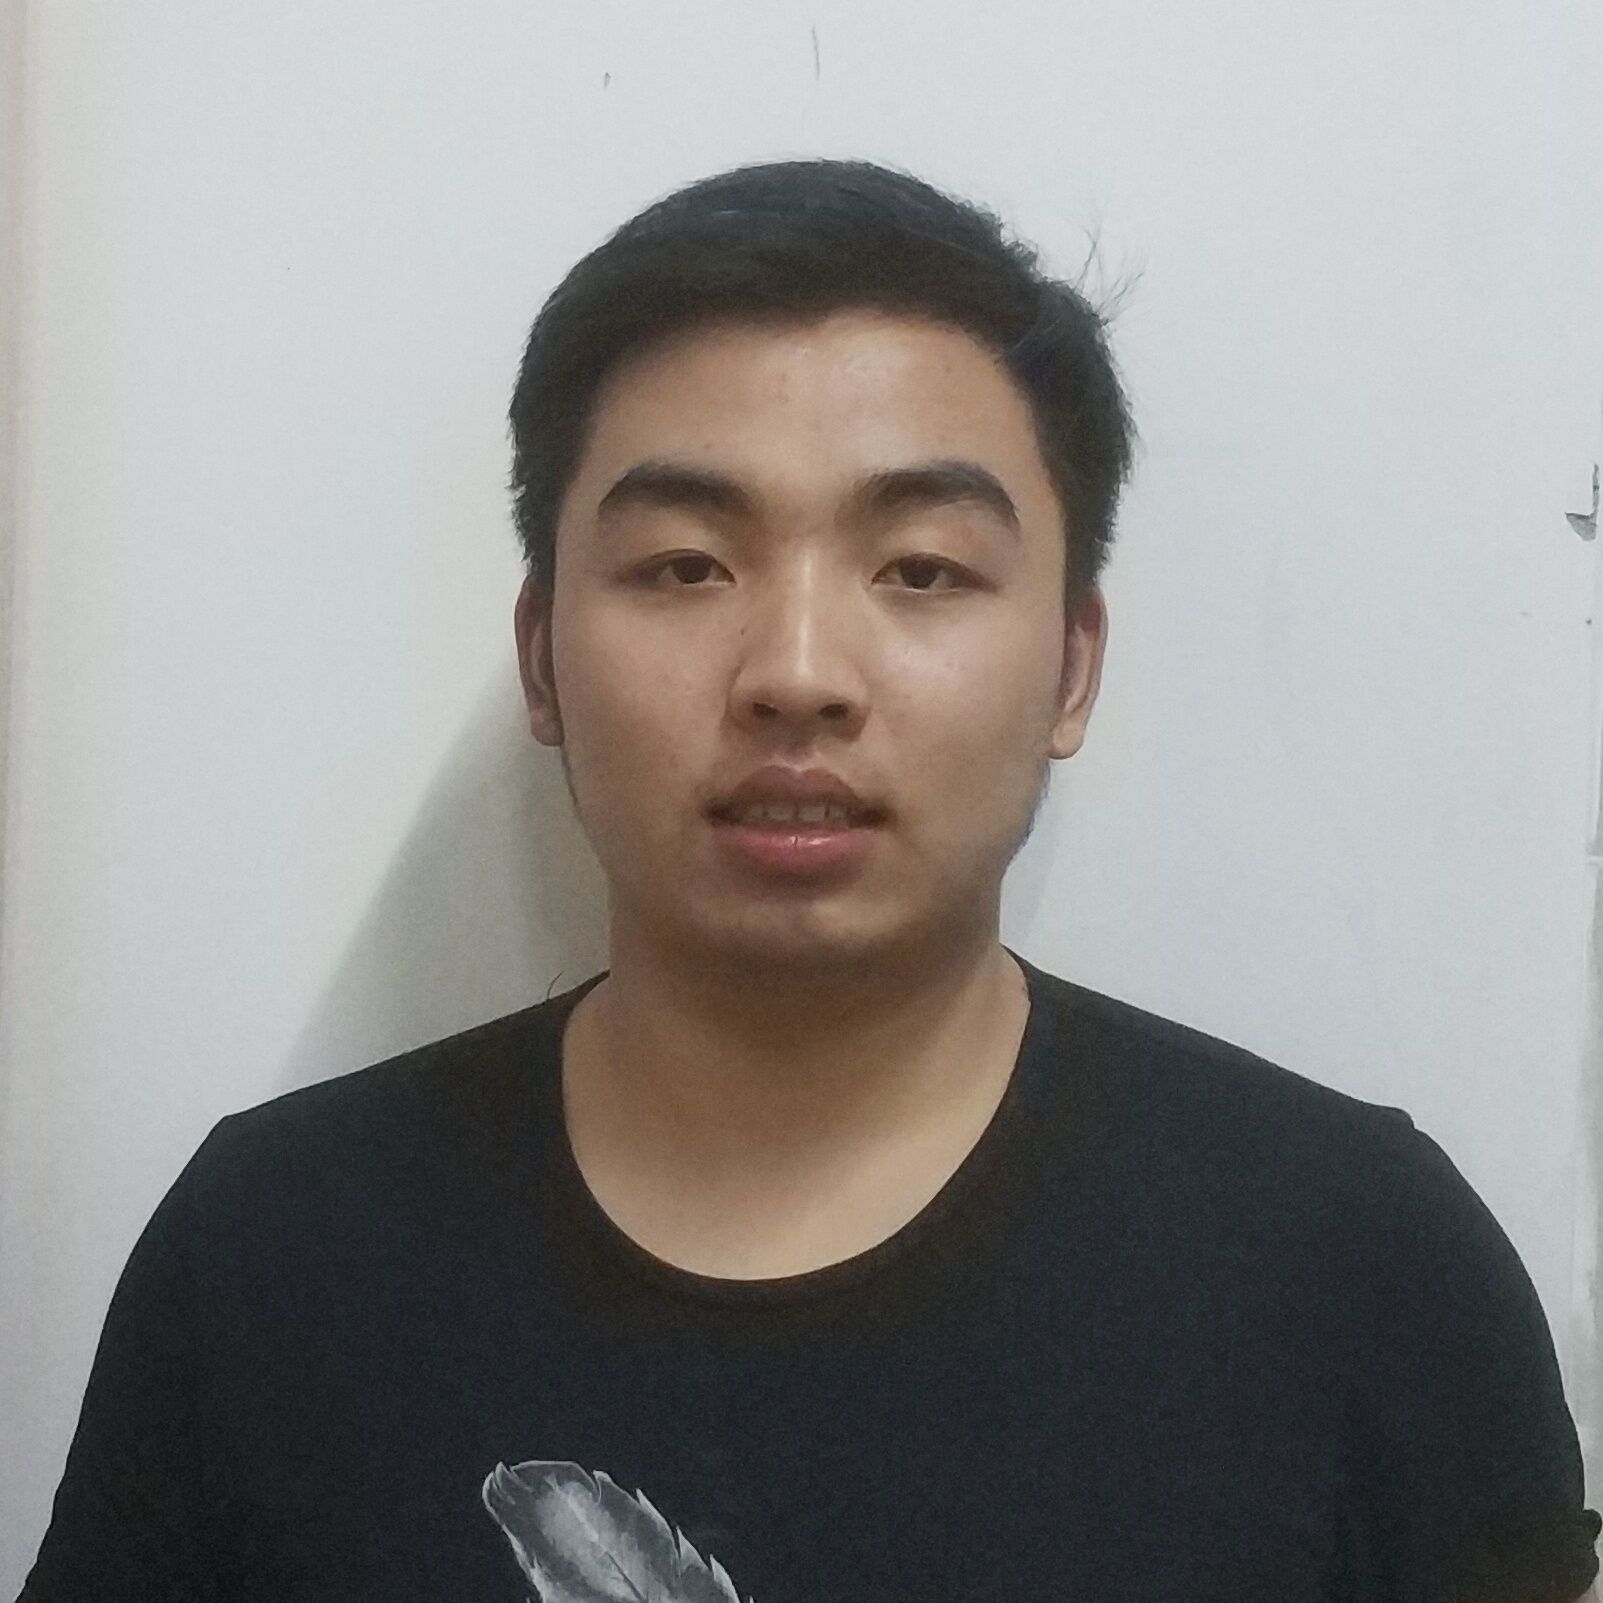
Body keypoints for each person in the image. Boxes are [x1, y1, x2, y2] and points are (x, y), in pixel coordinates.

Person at [19, 156, 1600, 1603]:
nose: (795, 672)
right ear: (543, 657)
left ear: (1071, 665)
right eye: (685, 565)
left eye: (921, 568)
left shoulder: (1363, 1267)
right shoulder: (274, 1255)